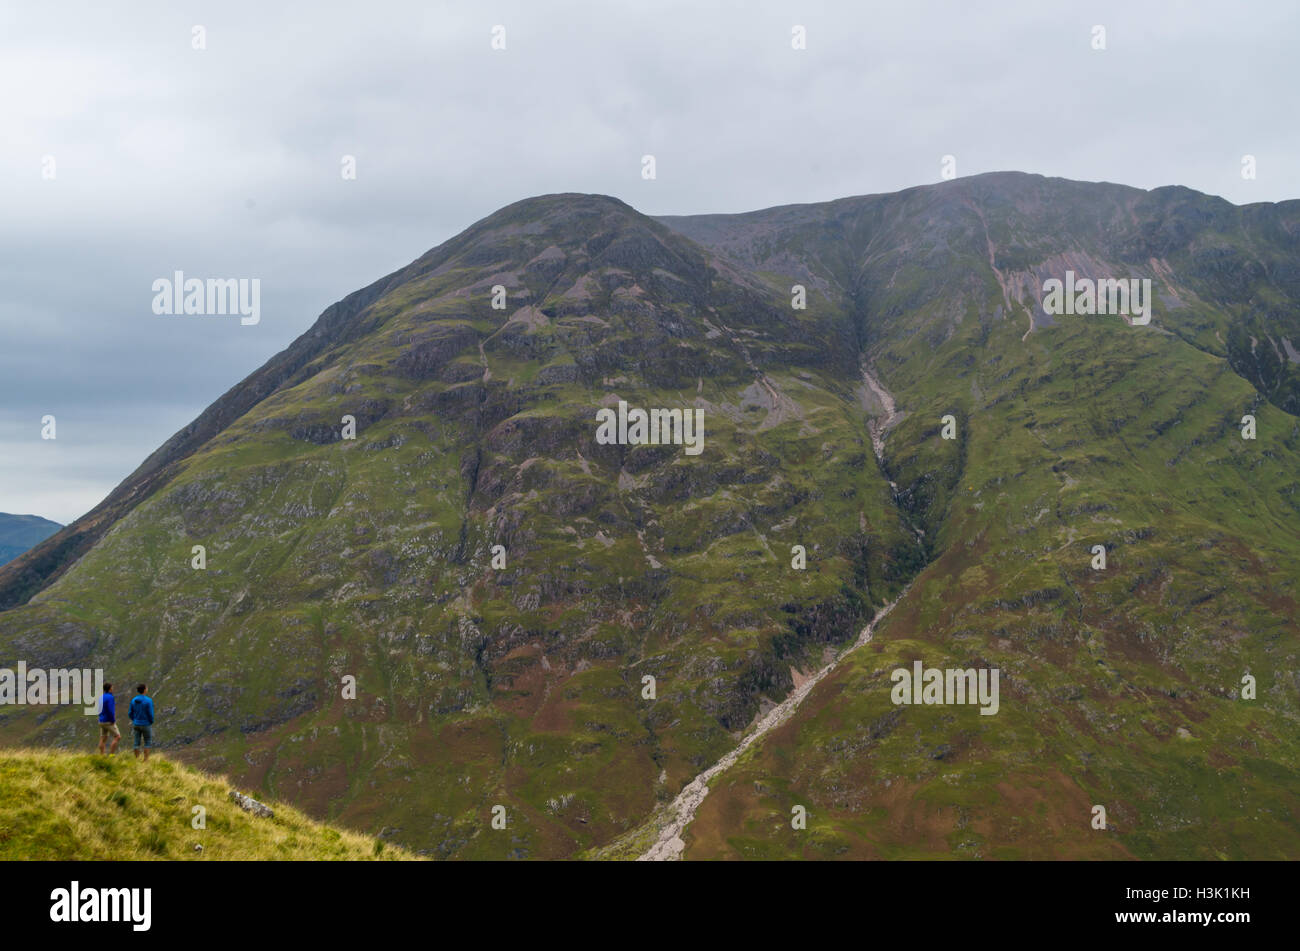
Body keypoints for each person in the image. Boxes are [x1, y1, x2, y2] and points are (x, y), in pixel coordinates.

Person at [128, 683, 155, 761]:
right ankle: (145, 760)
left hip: (136, 724)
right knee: (147, 742)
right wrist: (151, 721)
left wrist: (134, 719)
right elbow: (150, 713)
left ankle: (136, 759)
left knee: (136, 742)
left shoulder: (133, 700)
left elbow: (130, 713)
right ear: (144, 690)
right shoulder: (148, 701)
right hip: (146, 724)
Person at [96, 682, 119, 755]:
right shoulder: (110, 697)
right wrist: (113, 720)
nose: (113, 689)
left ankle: (102, 755)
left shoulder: (101, 697)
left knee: (103, 738)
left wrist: (100, 717)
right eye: (112, 687)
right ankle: (111, 755)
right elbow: (110, 710)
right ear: (110, 689)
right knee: (117, 736)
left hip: (101, 720)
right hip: (108, 721)